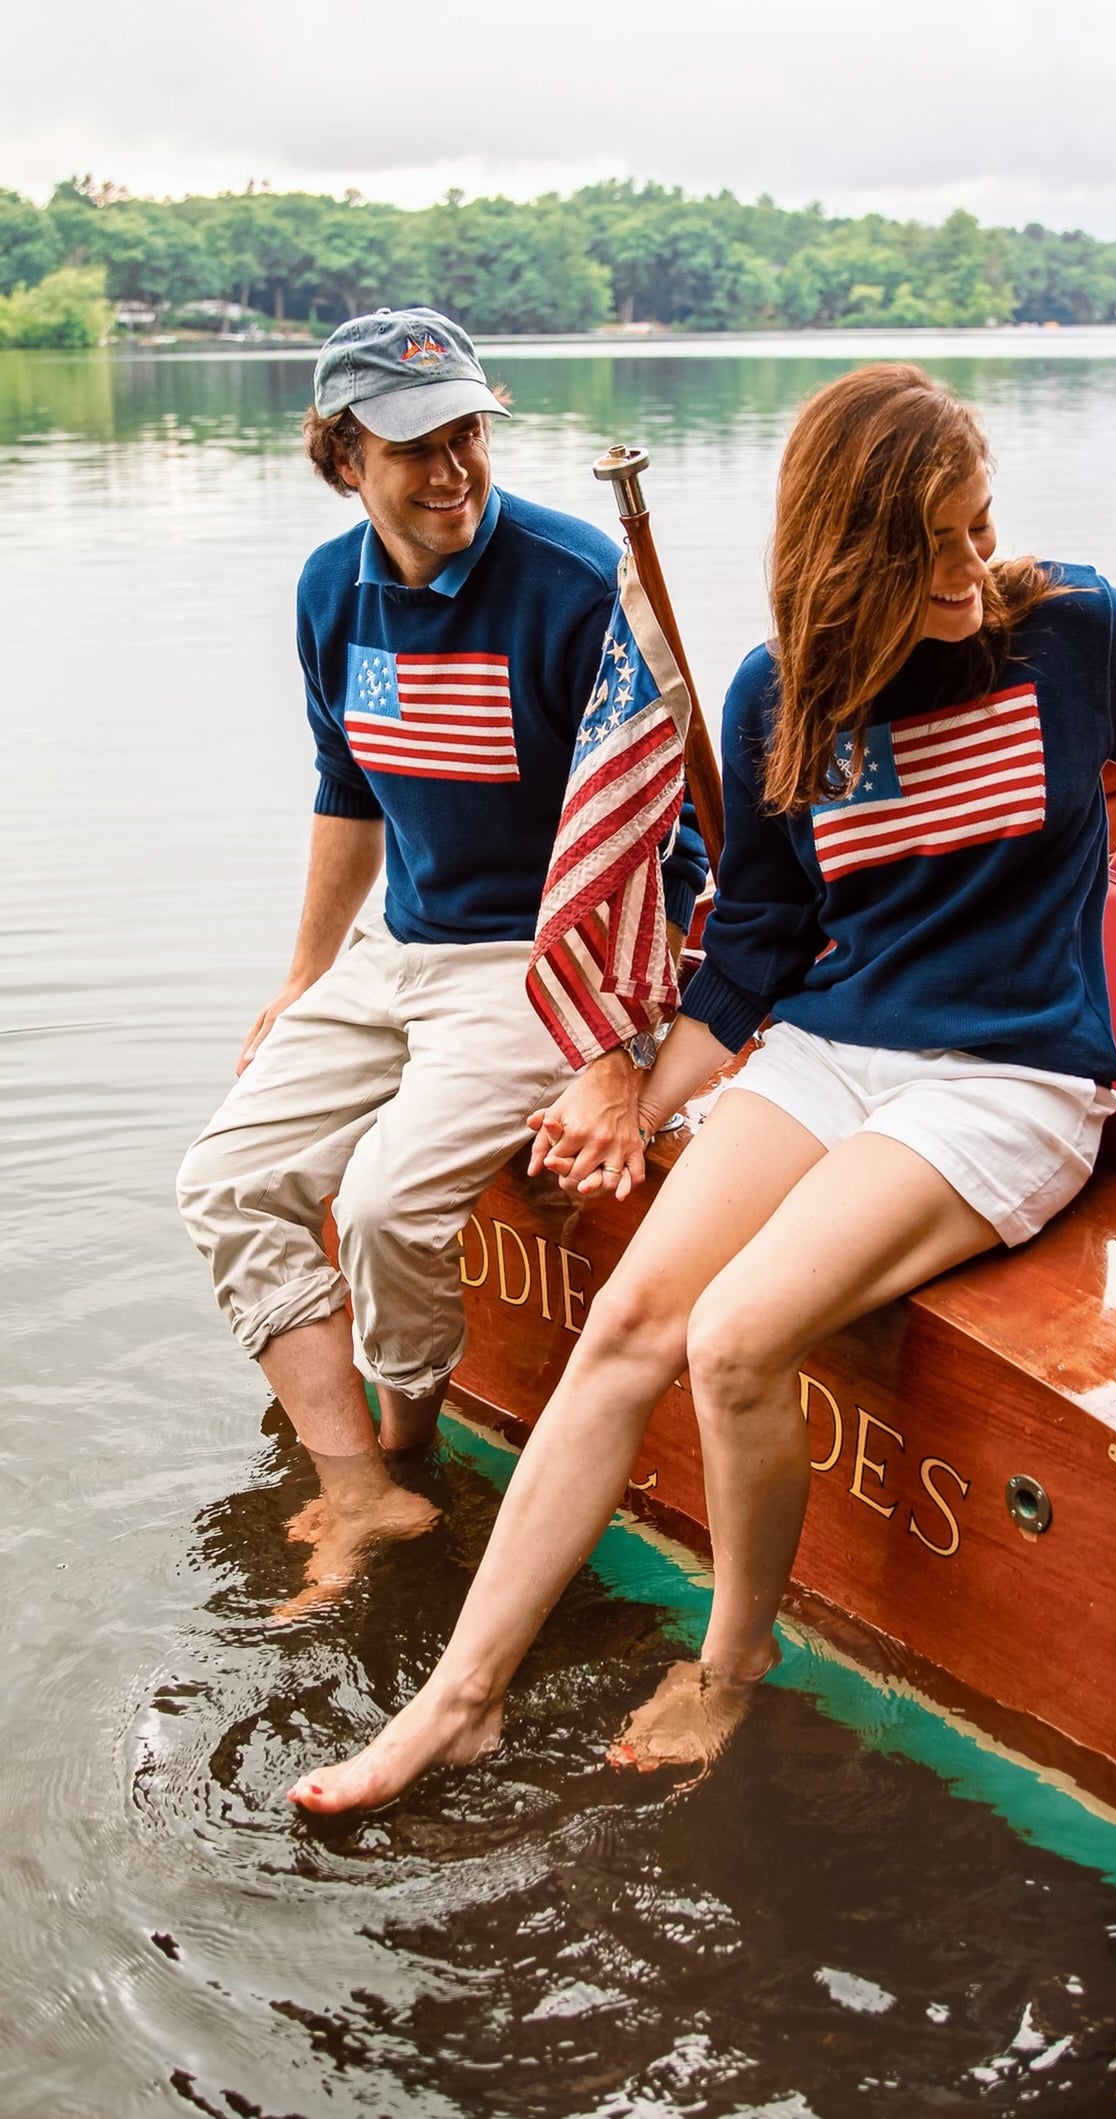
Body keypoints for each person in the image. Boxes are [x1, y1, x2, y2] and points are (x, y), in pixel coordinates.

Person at [288, 360, 1116, 1811]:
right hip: (828, 1047)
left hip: (1012, 1076)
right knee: (628, 1325)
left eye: (981, 526)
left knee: (736, 1338)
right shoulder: (778, 695)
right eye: (935, 545)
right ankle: (458, 1703)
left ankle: (734, 1659)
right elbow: (756, 942)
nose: (972, 568)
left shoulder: (1069, 632)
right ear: (849, 553)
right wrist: (635, 1096)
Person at [176, 307, 706, 1614]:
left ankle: (411, 1449)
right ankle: (355, 1482)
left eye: (466, 430)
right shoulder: (330, 590)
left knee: (384, 1207)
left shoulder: (576, 582)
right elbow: (347, 789)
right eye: (415, 443)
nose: (454, 466)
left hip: (544, 959)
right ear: (342, 456)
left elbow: (664, 836)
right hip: (395, 948)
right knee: (225, 1182)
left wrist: (614, 1050)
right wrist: (304, 977)